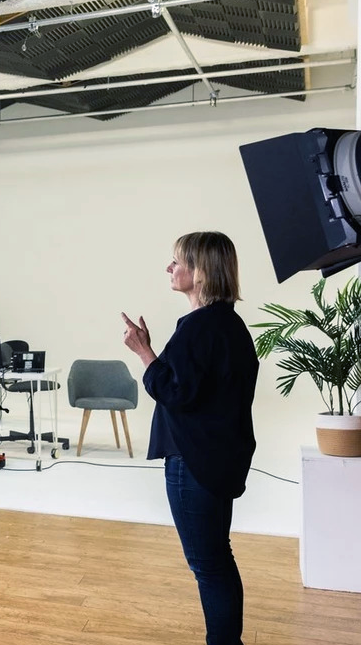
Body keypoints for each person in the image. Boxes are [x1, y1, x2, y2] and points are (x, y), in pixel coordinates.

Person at [121, 231, 258, 645]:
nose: (170, 268)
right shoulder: (228, 325)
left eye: (178, 261)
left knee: (208, 565)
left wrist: (144, 353)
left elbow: (177, 393)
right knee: (218, 559)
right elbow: (196, 390)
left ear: (201, 273)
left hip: (193, 463)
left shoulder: (199, 328)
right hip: (217, 460)